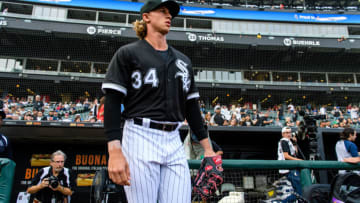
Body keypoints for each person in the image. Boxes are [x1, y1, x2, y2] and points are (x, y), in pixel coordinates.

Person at [101, 0, 216, 202]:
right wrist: (114, 150)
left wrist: (208, 149)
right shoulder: (128, 53)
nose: (169, 15)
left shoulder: (183, 61)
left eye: (170, 12)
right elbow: (111, 102)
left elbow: (192, 108)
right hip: (139, 135)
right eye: (162, 11)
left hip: (173, 138)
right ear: (146, 17)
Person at [277, 127, 303, 198]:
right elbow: (286, 156)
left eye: (290, 132)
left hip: (290, 168)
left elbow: (295, 153)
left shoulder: (289, 142)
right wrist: (298, 160)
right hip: (289, 168)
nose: (289, 134)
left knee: (297, 191)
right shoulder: (284, 141)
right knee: (299, 192)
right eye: (287, 132)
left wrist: (294, 143)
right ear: (283, 134)